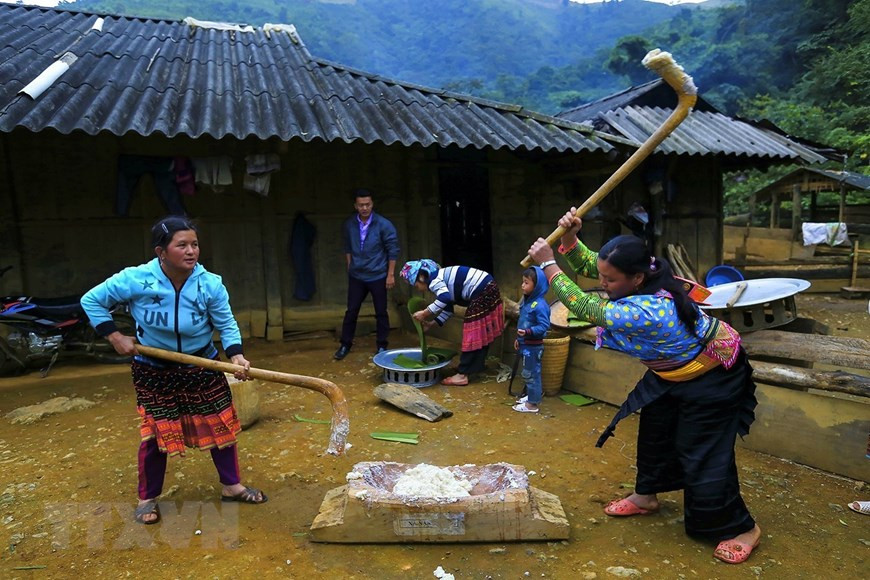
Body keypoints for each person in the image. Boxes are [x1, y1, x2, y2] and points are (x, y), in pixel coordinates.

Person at [527, 207, 761, 565]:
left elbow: (585, 306)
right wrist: (571, 238)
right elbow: (595, 265)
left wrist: (548, 263)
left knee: (701, 450)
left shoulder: (649, 309)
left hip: (715, 375)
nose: (603, 283)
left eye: (611, 280)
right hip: (673, 371)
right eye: (603, 277)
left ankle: (742, 528)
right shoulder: (644, 274)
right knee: (655, 431)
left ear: (637, 278)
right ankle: (646, 496)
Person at [81, 216, 267, 525]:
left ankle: (232, 486)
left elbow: (225, 322)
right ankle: (147, 499)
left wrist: (236, 356)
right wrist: (115, 336)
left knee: (222, 428)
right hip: (154, 370)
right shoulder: (136, 279)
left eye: (194, 244)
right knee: (156, 435)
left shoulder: (210, 283)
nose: (191, 251)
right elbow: (92, 300)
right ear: (161, 252)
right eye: (181, 245)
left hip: (201, 365)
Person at [400, 259, 504, 386]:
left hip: (481, 290)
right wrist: (432, 323)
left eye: (416, 286)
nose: (420, 290)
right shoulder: (442, 279)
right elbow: (448, 309)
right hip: (488, 287)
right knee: (480, 333)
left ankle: (462, 375)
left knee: (471, 335)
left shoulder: (434, 280)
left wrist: (425, 313)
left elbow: (444, 298)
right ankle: (474, 367)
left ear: (422, 277)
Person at [334, 189, 400, 360]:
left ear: (372, 204)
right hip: (357, 275)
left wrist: (390, 274)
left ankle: (381, 346)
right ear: (355, 206)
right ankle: (345, 344)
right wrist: (350, 264)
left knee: (381, 311)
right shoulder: (349, 224)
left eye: (367, 204)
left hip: (378, 275)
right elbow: (347, 246)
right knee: (352, 311)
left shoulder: (383, 224)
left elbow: (393, 249)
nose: (364, 208)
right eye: (361, 205)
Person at [512, 266, 551, 414]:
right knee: (528, 372)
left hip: (534, 347)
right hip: (525, 344)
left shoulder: (540, 305)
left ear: (537, 286)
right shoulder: (527, 302)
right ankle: (531, 396)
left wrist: (528, 332)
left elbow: (543, 326)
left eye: (526, 282)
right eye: (523, 282)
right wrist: (519, 339)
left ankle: (532, 405)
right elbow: (522, 322)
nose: (522, 285)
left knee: (532, 374)